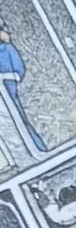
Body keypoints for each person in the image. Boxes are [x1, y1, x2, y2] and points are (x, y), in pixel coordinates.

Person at [0, 24, 44, 157]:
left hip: (8, 96)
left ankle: (38, 150)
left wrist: (2, 77)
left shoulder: (7, 50)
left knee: (21, 126)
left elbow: (18, 74)